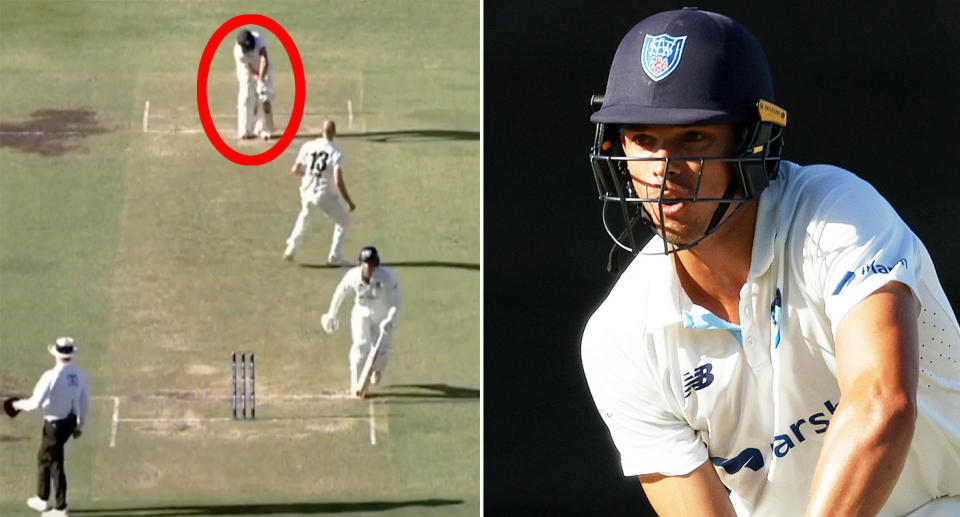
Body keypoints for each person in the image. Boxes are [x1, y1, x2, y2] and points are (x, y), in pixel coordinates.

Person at [580, 8, 960, 517]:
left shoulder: (836, 213)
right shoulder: (620, 338)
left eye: (694, 138)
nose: (662, 170)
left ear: (753, 141)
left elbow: (881, 403)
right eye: (643, 140)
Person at [12, 337, 90, 517]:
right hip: (69, 422)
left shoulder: (51, 376)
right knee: (44, 457)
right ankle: (42, 498)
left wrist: (16, 405)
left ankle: (60, 507)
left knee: (54, 463)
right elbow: (84, 403)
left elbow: (35, 403)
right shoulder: (79, 375)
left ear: (55, 354)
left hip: (53, 426)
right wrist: (80, 425)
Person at [321, 246, 402, 397]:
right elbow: (340, 292)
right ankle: (355, 385)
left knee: (382, 351)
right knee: (360, 345)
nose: (368, 267)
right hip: (361, 313)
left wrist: (390, 319)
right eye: (365, 263)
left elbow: (397, 302)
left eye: (371, 264)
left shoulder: (388, 276)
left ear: (376, 265)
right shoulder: (353, 276)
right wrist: (332, 314)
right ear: (360, 264)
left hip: (382, 315)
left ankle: (377, 369)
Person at [283, 119, 356, 265]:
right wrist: (349, 201)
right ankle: (335, 257)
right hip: (324, 194)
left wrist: (310, 173)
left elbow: (295, 169)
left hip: (306, 190)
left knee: (305, 216)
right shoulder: (336, 152)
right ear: (335, 132)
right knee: (344, 222)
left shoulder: (308, 146)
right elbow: (338, 179)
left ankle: (292, 248)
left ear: (321, 131)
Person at [234, 28, 275, 140]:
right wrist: (258, 79)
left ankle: (261, 129)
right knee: (246, 96)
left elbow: (264, 60)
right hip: (247, 71)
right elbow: (250, 70)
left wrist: (261, 81)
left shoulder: (259, 39)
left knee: (265, 97)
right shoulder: (239, 53)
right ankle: (245, 130)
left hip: (265, 68)